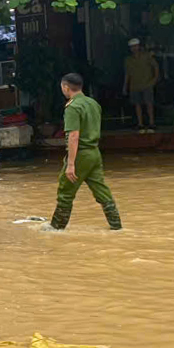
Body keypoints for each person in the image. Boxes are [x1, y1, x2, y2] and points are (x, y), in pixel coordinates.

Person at [50, 73, 121, 231]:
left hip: (80, 154)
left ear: (66, 87)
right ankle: (117, 226)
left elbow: (74, 136)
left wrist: (70, 164)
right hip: (94, 153)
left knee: (65, 191)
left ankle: (56, 228)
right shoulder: (93, 104)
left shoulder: (73, 107)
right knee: (101, 190)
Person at [123, 37, 160, 131]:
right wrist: (125, 86)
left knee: (149, 103)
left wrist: (154, 79)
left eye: (135, 46)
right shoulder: (128, 60)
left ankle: (151, 122)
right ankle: (140, 123)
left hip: (147, 84)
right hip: (134, 85)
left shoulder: (147, 56)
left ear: (139, 46)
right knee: (137, 104)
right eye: (132, 47)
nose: (134, 48)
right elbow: (127, 74)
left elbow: (155, 67)